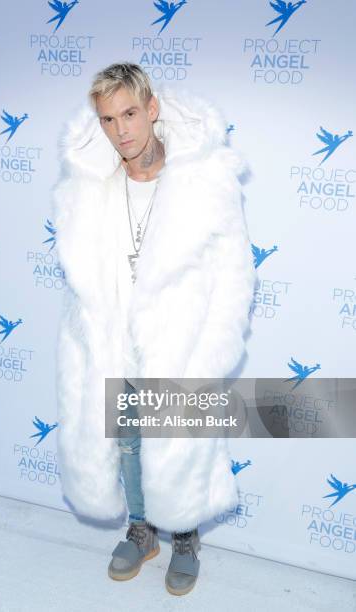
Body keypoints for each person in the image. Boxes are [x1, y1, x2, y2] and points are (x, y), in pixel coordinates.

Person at [52, 62, 257, 596]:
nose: (120, 130)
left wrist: (210, 351)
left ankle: (185, 538)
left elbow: (235, 275)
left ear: (152, 109)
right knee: (128, 445)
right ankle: (141, 532)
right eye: (107, 119)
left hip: (180, 343)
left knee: (180, 441)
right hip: (115, 340)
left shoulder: (202, 181)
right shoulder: (91, 187)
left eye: (129, 113)